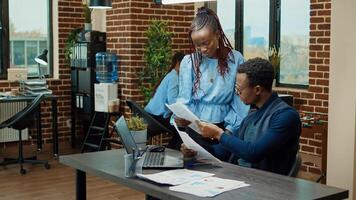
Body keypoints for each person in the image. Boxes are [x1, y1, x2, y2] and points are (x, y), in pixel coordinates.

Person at [182, 58, 301, 175]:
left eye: (239, 89)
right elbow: (222, 152)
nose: (237, 93)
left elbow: (253, 153)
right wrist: (195, 150)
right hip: (240, 176)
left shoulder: (285, 116)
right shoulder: (252, 114)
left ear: (257, 90)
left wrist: (218, 134)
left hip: (267, 184)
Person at [175, 7, 249, 150]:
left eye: (206, 43)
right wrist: (180, 118)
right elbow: (184, 99)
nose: (202, 49)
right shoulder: (189, 62)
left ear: (218, 34)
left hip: (224, 129)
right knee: (195, 169)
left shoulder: (235, 60)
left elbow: (240, 104)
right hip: (195, 128)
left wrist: (228, 132)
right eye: (197, 46)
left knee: (223, 169)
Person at [144, 52, 185, 149]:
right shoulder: (174, 77)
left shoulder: (171, 75)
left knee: (179, 129)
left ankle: (171, 151)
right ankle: (172, 153)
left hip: (150, 115)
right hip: (156, 118)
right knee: (182, 129)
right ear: (178, 62)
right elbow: (172, 102)